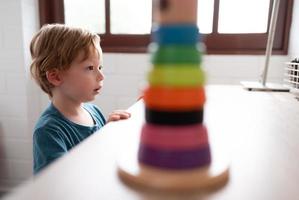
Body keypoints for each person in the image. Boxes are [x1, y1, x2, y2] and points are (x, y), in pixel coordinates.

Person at [30, 24, 131, 174]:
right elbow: (58, 184)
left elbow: (101, 157)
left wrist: (109, 132)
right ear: (56, 76)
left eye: (100, 67)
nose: (101, 76)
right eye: (90, 68)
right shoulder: (49, 131)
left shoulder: (94, 112)